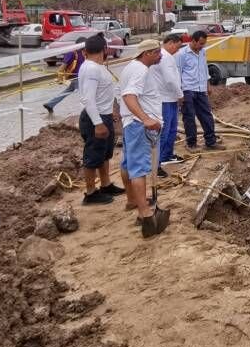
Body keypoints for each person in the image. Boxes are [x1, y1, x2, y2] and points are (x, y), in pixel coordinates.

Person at [119, 39, 169, 238]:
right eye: (157, 52)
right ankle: (145, 214)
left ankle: (133, 200)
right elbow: (129, 96)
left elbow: (122, 94)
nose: (160, 56)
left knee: (127, 165)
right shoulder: (140, 70)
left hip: (130, 124)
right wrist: (146, 119)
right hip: (139, 127)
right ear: (147, 53)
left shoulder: (129, 68)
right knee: (139, 168)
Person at [76, 34, 125, 205]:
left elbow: (104, 93)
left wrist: (111, 110)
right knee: (92, 156)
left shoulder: (99, 67)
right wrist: (98, 123)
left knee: (104, 154)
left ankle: (105, 184)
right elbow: (88, 99)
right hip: (94, 118)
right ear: (104, 49)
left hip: (104, 115)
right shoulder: (91, 69)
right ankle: (90, 193)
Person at [175, 30, 218, 150]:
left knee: (206, 115)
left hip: (200, 89)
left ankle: (210, 141)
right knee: (189, 117)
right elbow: (177, 73)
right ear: (193, 41)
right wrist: (179, 93)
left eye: (204, 44)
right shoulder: (182, 54)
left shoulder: (202, 52)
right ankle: (191, 144)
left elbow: (204, 69)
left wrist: (208, 85)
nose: (202, 46)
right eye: (200, 43)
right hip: (187, 89)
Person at [152, 33, 185, 169]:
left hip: (170, 98)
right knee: (164, 131)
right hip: (164, 99)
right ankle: (157, 162)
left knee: (171, 129)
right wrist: (180, 95)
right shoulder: (164, 57)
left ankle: (167, 155)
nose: (177, 51)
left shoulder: (167, 56)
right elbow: (170, 79)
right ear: (170, 42)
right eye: (176, 47)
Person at [43, 39, 86, 114]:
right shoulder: (72, 53)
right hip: (76, 78)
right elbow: (61, 68)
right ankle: (86, 113)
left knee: (68, 91)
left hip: (80, 78)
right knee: (84, 95)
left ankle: (50, 104)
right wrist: (60, 79)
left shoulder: (84, 53)